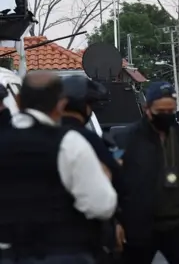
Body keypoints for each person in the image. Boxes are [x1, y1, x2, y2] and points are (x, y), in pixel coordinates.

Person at [0, 72, 117, 264]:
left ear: (19, 101)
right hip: (65, 254)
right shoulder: (70, 144)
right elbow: (102, 206)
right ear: (61, 104)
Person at [114, 81, 179, 264]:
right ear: (147, 108)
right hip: (138, 228)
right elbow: (112, 182)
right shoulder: (128, 139)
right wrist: (115, 222)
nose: (165, 116)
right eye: (160, 112)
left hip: (177, 226)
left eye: (170, 111)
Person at [60, 75, 124, 262]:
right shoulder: (88, 140)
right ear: (85, 106)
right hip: (86, 236)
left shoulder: (41, 137)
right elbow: (117, 184)